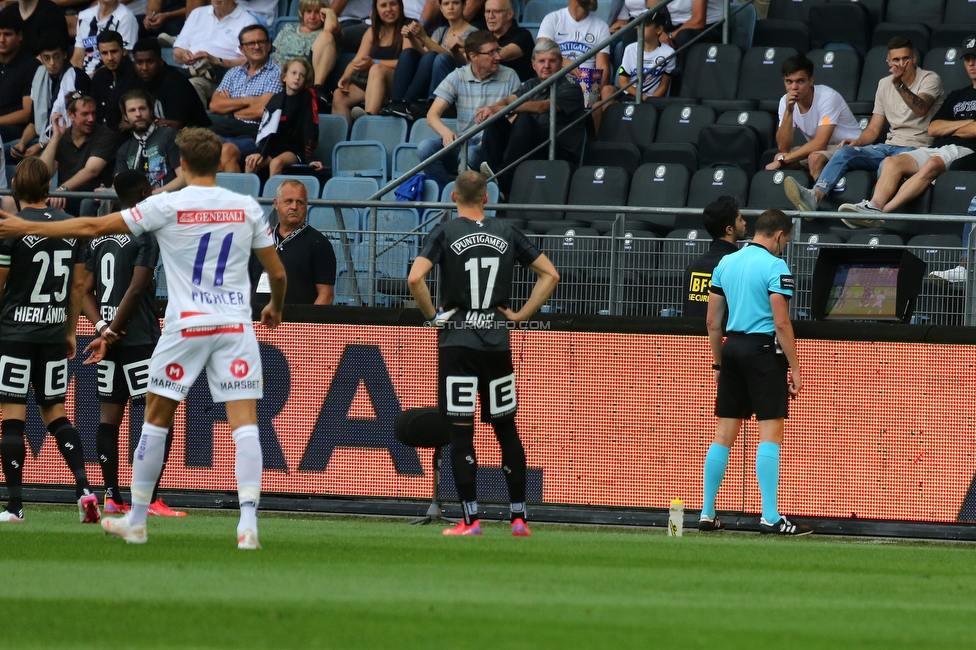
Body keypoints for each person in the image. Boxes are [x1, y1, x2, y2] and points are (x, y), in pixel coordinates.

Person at [0, 128, 288, 548]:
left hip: (185, 325)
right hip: (234, 326)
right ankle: (248, 525)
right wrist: (276, 306)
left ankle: (136, 519)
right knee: (245, 425)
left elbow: (93, 224)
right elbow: (276, 273)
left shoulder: (166, 204)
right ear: (218, 164)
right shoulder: (245, 206)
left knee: (154, 419)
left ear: (182, 165)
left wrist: (25, 225)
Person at [406, 170, 560, 536]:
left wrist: (433, 317)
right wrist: (521, 315)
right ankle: (519, 518)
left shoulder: (445, 231)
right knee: (507, 430)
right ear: (487, 198)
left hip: (457, 345)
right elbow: (550, 274)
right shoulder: (506, 232)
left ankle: (471, 520)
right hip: (496, 344)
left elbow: (415, 278)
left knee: (461, 433)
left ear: (454, 197)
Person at [0, 156, 101, 524]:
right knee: (56, 412)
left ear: (16, 186)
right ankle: (84, 489)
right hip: (54, 332)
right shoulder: (70, 225)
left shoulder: (11, 226)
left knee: (12, 415)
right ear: (49, 186)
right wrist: (71, 329)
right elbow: (78, 285)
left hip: (14, 332)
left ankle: (14, 507)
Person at [80, 169, 185, 517]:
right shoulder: (145, 231)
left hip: (106, 341)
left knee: (109, 417)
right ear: (143, 192)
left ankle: (112, 496)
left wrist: (101, 328)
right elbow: (137, 287)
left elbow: (84, 290)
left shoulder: (102, 232)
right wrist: (114, 331)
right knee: (156, 417)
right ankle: (150, 498)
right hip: (138, 338)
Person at [702, 208, 811, 536]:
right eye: (786, 241)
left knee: (723, 435)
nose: (784, 247)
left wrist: (719, 362)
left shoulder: (726, 263)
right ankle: (770, 516)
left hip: (732, 349)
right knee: (770, 433)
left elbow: (711, 323)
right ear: (779, 235)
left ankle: (707, 513)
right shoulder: (776, 266)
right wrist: (794, 366)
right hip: (763, 353)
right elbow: (781, 322)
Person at [784, 37, 945, 215]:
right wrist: (857, 142)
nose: (901, 64)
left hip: (918, 148)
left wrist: (899, 84)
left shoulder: (930, 79)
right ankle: (815, 195)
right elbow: (874, 128)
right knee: (845, 150)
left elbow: (921, 108)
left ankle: (873, 209)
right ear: (888, 62)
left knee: (888, 164)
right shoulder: (884, 84)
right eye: (896, 60)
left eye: (905, 59)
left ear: (914, 58)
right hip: (889, 145)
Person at [839, 38, 976, 221]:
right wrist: (967, 123)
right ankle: (874, 206)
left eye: (975, 58)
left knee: (933, 164)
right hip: (937, 148)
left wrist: (951, 128)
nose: (971, 63)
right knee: (891, 162)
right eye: (967, 59)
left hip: (966, 150)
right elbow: (934, 129)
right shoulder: (957, 95)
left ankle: (883, 214)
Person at [477, 39, 585, 194]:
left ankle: (504, 178)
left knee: (524, 118)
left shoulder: (571, 86)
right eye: (541, 61)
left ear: (561, 63)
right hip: (532, 147)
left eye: (552, 61)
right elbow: (509, 100)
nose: (546, 66)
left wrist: (504, 108)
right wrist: (493, 109)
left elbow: (541, 107)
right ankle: (487, 175)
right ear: (534, 65)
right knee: (496, 119)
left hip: (559, 151)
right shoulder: (531, 84)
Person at [419, 30, 520, 188]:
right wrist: (446, 132)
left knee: (469, 155)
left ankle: (471, 196)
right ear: (473, 56)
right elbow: (432, 115)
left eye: (497, 50)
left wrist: (487, 141)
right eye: (491, 53)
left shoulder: (510, 75)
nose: (498, 57)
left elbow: (517, 115)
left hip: (492, 144)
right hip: (463, 140)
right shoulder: (458, 76)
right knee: (425, 148)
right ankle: (445, 191)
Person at [766, 54, 862, 179]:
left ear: (811, 81)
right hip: (823, 149)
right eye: (789, 82)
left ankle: (815, 197)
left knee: (814, 158)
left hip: (850, 147)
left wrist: (784, 159)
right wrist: (789, 111)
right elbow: (784, 147)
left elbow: (821, 143)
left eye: (800, 81)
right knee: (780, 160)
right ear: (784, 81)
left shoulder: (827, 97)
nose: (794, 87)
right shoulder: (785, 101)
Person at [249, 179, 336, 305]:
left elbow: (326, 296)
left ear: (306, 205)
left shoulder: (319, 244)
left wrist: (307, 324)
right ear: (276, 204)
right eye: (288, 201)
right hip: (258, 321)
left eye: (299, 202)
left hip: (296, 323)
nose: (294, 207)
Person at [209, 24, 282, 173]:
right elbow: (215, 106)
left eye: (260, 42)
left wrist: (231, 110)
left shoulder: (278, 73)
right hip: (227, 128)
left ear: (268, 45)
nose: (256, 46)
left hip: (256, 134)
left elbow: (263, 110)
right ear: (242, 49)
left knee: (226, 151)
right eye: (250, 43)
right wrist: (249, 100)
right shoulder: (233, 73)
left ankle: (237, 196)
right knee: (193, 147)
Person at [385, 0, 476, 118]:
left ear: (463, 5)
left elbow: (454, 58)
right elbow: (425, 55)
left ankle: (408, 102)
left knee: (439, 57)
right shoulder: (441, 31)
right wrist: (413, 38)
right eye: (446, 3)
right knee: (409, 53)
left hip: (455, 80)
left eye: (456, 3)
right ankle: (396, 102)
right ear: (440, 8)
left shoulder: (472, 33)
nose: (451, 7)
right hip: (433, 78)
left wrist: (423, 37)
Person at [10, 34, 90, 162]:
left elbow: (76, 126)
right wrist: (22, 143)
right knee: (7, 151)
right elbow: (34, 121)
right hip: (41, 139)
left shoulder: (78, 78)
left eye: (56, 56)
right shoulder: (39, 75)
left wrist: (41, 146)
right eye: (47, 58)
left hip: (68, 144)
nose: (52, 63)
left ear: (64, 55)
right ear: (41, 58)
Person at [331, 0, 412, 121]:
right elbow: (357, 60)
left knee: (376, 69)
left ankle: (369, 120)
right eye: (383, 6)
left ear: (400, 6)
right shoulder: (373, 31)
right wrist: (346, 77)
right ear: (376, 10)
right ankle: (344, 137)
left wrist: (375, 62)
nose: (389, 9)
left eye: (393, 4)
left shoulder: (407, 28)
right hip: (373, 84)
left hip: (397, 85)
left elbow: (408, 62)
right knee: (339, 95)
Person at [41, 91, 119, 215]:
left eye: (93, 113)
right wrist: (55, 138)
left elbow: (92, 171)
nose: (91, 119)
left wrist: (63, 189)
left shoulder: (105, 135)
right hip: (66, 198)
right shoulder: (63, 136)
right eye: (85, 114)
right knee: (40, 203)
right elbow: (43, 173)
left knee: (84, 203)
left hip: (94, 197)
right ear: (70, 115)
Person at [173, 0, 258, 107]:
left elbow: (249, 61)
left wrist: (216, 60)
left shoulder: (248, 21)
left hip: (221, 78)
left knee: (192, 85)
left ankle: (197, 123)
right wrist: (184, 54)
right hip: (190, 70)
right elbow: (177, 49)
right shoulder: (197, 13)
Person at [537, 0, 611, 122]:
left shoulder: (601, 27)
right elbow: (541, 52)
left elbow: (603, 67)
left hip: (586, 86)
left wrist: (596, 95)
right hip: (556, 82)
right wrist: (564, 63)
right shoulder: (553, 19)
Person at [247, 58, 320, 177]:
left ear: (306, 81)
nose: (297, 77)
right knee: (251, 163)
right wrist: (260, 153)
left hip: (295, 150)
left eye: (302, 75)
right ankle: (250, 195)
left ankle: (272, 196)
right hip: (274, 148)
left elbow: (310, 128)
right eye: (294, 73)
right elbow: (266, 130)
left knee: (276, 163)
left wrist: (310, 158)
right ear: (284, 77)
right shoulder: (276, 99)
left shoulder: (307, 98)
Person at [682, 195, 747, 318]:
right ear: (729, 229)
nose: (745, 223)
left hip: (694, 337)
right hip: (724, 336)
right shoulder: (738, 265)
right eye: (740, 219)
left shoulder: (693, 266)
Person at [132, 37, 211, 130]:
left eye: (150, 62)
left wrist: (140, 124)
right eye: (139, 63)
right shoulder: (135, 80)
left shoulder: (176, 83)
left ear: (160, 61)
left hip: (194, 137)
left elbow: (175, 125)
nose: (144, 67)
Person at [115, 89, 186, 193]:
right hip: (136, 205)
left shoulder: (169, 136)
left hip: (166, 201)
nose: (138, 114)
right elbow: (119, 185)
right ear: (125, 117)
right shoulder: (124, 149)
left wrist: (152, 195)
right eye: (132, 110)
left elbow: (184, 178)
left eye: (142, 108)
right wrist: (105, 191)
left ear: (151, 111)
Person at [601, 7, 675, 104]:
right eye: (639, 23)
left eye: (646, 25)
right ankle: (614, 118)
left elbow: (664, 86)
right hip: (629, 94)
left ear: (659, 29)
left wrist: (649, 101)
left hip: (651, 100)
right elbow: (623, 81)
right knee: (603, 96)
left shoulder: (668, 53)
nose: (640, 27)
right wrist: (642, 97)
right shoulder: (630, 49)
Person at [0, 9, 41, 143]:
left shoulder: (31, 67)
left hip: (17, 131)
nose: (1, 40)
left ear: (20, 36)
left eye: (7, 34)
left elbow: (27, 113)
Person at [71, 0, 139, 76]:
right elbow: (77, 58)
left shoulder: (126, 17)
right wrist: (75, 79)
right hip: (85, 76)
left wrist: (90, 79)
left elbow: (120, 58)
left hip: (112, 77)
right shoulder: (84, 16)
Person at [90, 30, 139, 130]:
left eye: (114, 51)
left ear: (124, 51)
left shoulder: (136, 75)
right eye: (104, 53)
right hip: (99, 136)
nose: (110, 58)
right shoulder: (99, 76)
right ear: (99, 54)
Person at [485, 0, 534, 82]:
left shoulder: (523, 35)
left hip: (519, 91)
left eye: (496, 12)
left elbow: (502, 54)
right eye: (487, 11)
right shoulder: (484, 35)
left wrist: (469, 47)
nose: (490, 16)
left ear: (510, 14)